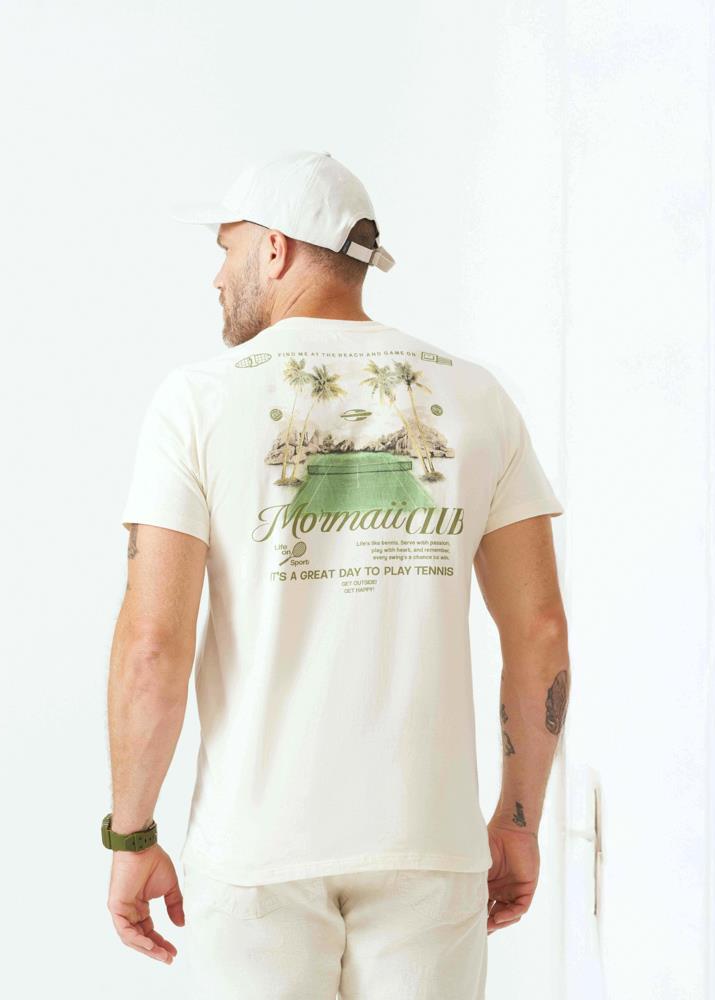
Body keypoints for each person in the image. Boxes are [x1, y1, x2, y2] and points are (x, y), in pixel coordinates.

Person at [102, 149, 570, 999]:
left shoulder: (198, 401)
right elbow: (539, 633)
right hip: (427, 844)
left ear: (274, 249)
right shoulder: (477, 398)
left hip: (256, 851)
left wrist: (132, 837)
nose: (216, 277)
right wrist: (518, 818)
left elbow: (150, 649)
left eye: (226, 248)